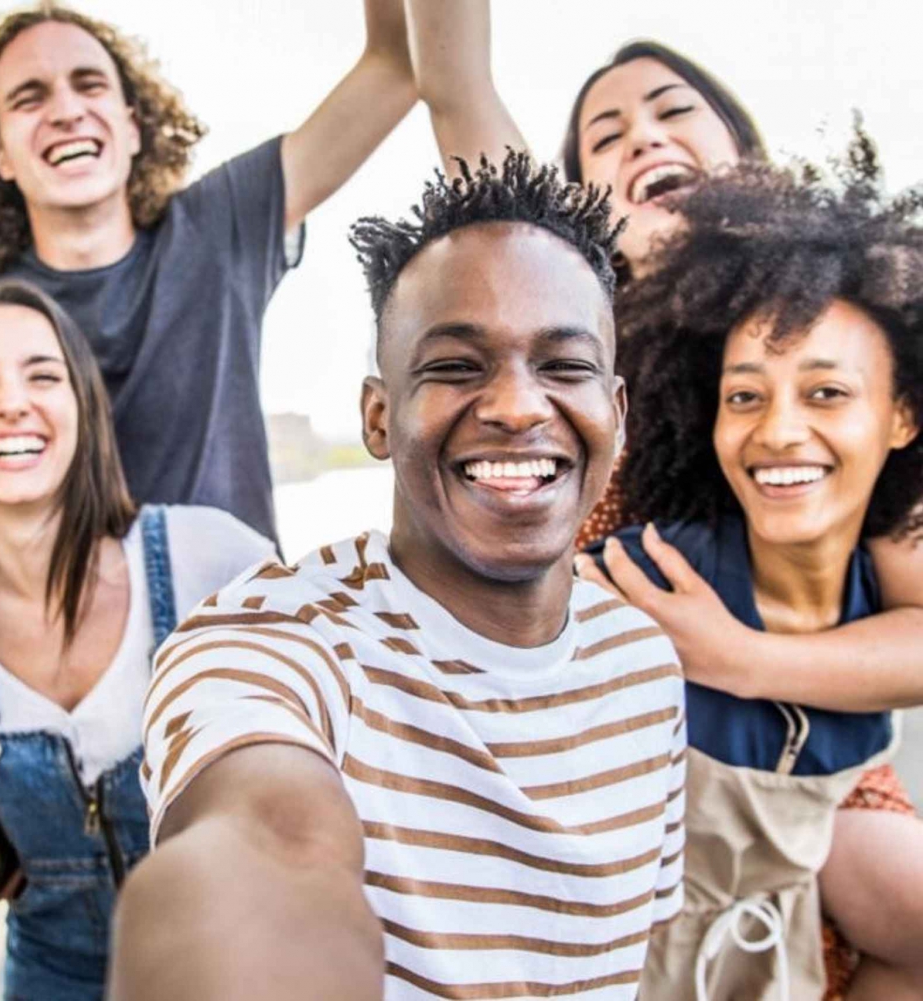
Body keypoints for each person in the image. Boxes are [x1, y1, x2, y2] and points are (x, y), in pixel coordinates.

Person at [405, 5, 923, 993]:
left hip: (795, 758)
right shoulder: (560, 329)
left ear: (745, 153)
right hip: (599, 773)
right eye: (604, 135)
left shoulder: (843, 333)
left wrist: (739, 655)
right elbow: (456, 85)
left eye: (671, 110)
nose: (639, 134)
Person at [110, 154, 686, 1001]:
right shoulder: (273, 641)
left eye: (563, 367)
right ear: (380, 418)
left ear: (618, 414)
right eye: (456, 366)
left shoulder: (645, 665)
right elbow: (268, 844)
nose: (519, 407)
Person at [0, 279, 273, 999]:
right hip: (55, 968)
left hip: (229, 957)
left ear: (81, 408)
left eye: (42, 374)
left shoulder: (208, 560)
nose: (11, 401)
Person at [0, 1, 420, 543]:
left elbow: (397, 66)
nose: (65, 111)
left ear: (133, 127)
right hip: (30, 623)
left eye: (89, 85)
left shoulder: (219, 227)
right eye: (28, 98)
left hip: (227, 620)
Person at [581, 149, 923, 1001]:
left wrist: (736, 656)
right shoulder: (652, 576)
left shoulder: (874, 601)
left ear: (902, 415)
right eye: (744, 396)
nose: (777, 430)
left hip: (777, 957)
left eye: (826, 393)